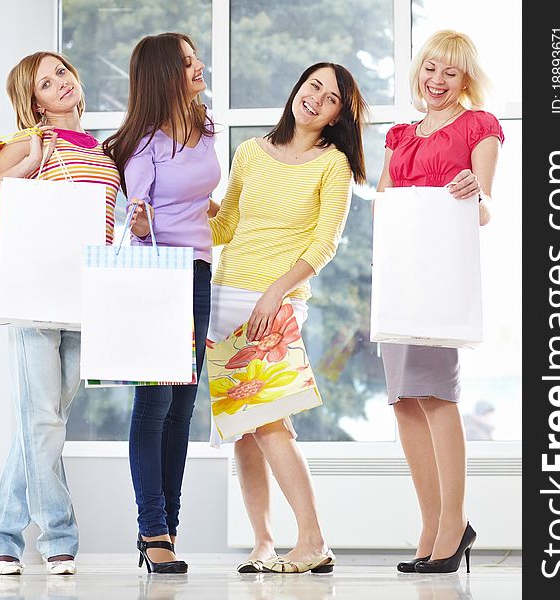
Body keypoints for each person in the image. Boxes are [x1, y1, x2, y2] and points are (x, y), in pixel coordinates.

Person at [0, 52, 120, 575]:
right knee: (43, 420)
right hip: (35, 292)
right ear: (35, 102)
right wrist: (26, 168)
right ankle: (59, 538)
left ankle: (1, 534)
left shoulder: (103, 150)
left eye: (63, 73)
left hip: (88, 293)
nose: (61, 84)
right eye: (46, 83)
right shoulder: (32, 144)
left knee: (44, 422)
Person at [207, 62, 367, 574]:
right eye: (313, 85)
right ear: (297, 87)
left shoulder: (333, 164)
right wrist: (183, 208)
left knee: (272, 422)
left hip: (276, 303)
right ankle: (262, 542)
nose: (317, 98)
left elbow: (325, 244)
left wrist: (275, 293)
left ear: (340, 115)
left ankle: (314, 540)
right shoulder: (250, 152)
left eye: (332, 97)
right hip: (225, 295)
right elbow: (227, 224)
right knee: (244, 427)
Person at [376, 30, 504, 574]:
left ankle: (454, 524)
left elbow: (484, 209)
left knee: (435, 397)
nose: (438, 80)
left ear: (465, 78)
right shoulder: (399, 134)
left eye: (450, 72)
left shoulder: (479, 127)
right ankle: (432, 523)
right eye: (431, 68)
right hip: (399, 280)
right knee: (404, 401)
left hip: (438, 281)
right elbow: (384, 201)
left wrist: (473, 190)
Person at [102, 33, 219, 574]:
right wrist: (143, 221)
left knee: (183, 406)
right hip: (156, 277)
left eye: (197, 59)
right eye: (189, 62)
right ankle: (153, 530)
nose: (199, 67)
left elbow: (201, 195)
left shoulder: (206, 125)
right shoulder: (139, 142)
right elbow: (139, 214)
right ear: (164, 75)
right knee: (154, 406)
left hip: (198, 273)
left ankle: (166, 527)